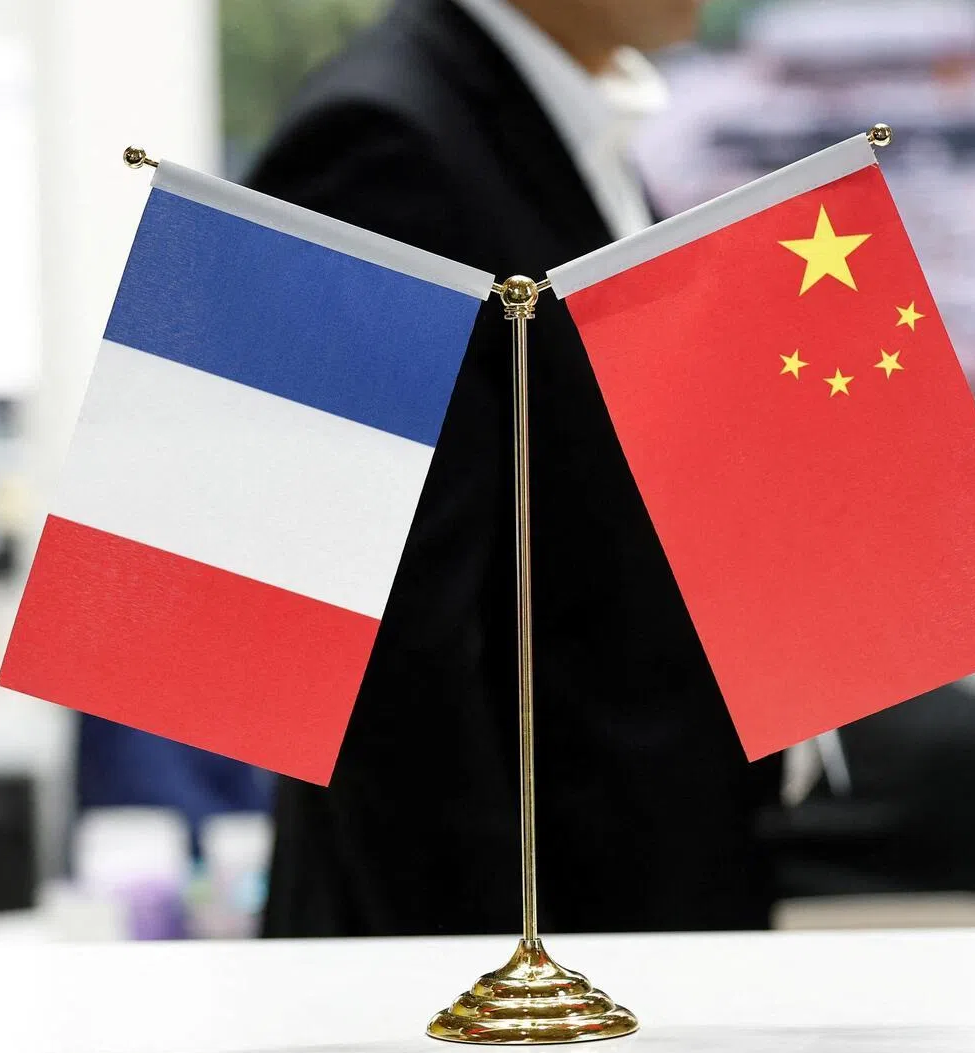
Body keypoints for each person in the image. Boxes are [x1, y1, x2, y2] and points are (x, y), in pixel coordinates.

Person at [249, 0, 784, 937]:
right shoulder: (379, 142)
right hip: (505, 966)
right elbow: (382, 662)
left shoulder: (555, 118)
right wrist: (492, 1019)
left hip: (629, 896)